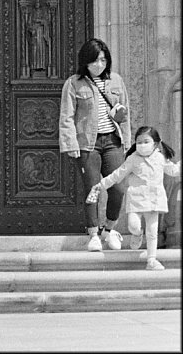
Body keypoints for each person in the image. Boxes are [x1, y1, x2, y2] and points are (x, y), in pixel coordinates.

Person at [59, 37, 131, 251]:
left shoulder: (116, 81)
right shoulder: (73, 83)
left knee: (118, 188)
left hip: (112, 141)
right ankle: (93, 234)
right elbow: (67, 116)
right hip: (88, 144)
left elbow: (124, 113)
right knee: (92, 189)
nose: (99, 65)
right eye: (94, 61)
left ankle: (109, 230)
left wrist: (126, 140)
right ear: (85, 62)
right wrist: (70, 143)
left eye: (103, 60)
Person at [86, 126, 180, 270]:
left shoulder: (160, 158)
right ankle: (137, 234)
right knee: (134, 226)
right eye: (139, 142)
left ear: (155, 143)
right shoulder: (133, 159)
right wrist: (101, 185)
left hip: (154, 200)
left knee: (152, 231)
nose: (142, 145)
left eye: (146, 141)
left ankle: (151, 260)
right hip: (136, 200)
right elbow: (117, 174)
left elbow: (173, 170)